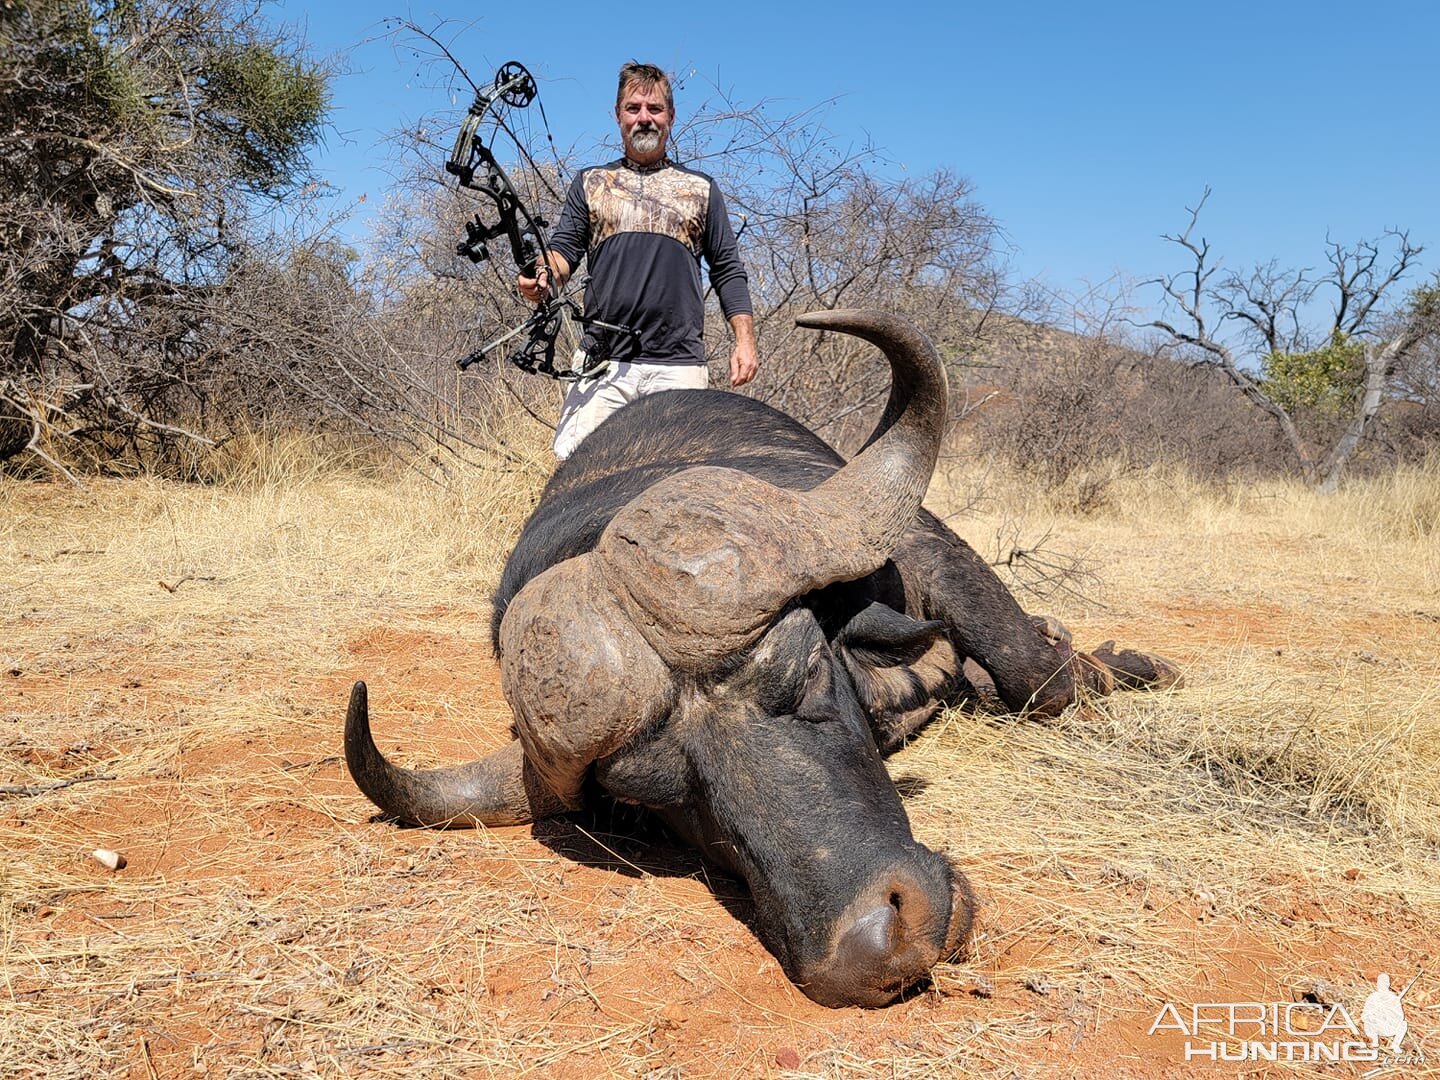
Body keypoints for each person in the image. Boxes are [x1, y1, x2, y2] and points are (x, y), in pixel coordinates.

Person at [517, 61, 757, 459]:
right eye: (634, 108)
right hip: (603, 360)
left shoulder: (701, 189)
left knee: (678, 480)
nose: (644, 118)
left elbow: (728, 269)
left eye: (655, 109)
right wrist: (540, 275)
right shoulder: (591, 183)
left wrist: (744, 341)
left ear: (671, 117)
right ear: (618, 116)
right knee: (573, 466)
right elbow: (563, 254)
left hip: (677, 364)